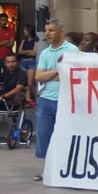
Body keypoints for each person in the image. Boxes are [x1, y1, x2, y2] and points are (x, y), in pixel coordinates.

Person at [33, 19, 79, 182]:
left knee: (65, 134)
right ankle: (48, 169)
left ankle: (66, 167)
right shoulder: (45, 53)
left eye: (51, 30)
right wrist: (56, 71)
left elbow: (74, 72)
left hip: (65, 99)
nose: (47, 33)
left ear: (60, 31)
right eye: (46, 30)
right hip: (46, 98)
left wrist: (49, 74)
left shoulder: (71, 50)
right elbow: (38, 76)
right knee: (44, 133)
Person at [18, 25, 39, 106]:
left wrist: (25, 52)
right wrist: (28, 51)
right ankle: (28, 100)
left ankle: (38, 98)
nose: (24, 31)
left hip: (31, 62)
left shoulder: (35, 41)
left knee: (30, 83)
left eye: (25, 29)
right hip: (23, 62)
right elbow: (19, 51)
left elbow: (34, 53)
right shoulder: (24, 40)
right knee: (25, 83)